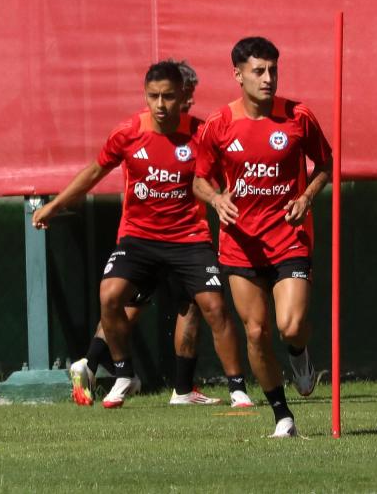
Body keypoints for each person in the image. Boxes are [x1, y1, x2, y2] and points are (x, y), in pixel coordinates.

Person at [33, 60, 252, 409]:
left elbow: (227, 174)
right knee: (111, 297)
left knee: (208, 306)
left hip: (188, 239)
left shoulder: (200, 134)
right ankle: (122, 373)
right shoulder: (128, 132)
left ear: (183, 97)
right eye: (154, 97)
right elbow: (93, 172)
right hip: (139, 238)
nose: (161, 105)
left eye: (168, 96)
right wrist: (55, 205)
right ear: (145, 96)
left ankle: (233, 389)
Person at [193, 37, 333, 437]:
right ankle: (283, 417)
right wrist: (217, 198)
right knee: (255, 331)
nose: (268, 78)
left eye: (273, 70)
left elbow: (325, 163)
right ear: (238, 75)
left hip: (288, 234)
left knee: (289, 327)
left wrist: (307, 196)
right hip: (240, 241)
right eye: (259, 71)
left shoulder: (298, 116)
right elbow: (199, 180)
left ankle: (299, 354)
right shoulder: (218, 125)